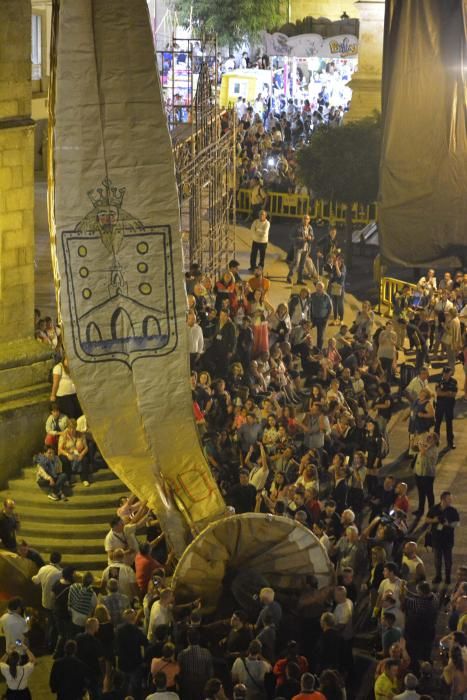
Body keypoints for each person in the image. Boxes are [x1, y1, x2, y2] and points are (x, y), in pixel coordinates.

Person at [426, 490, 460, 584]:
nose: (451, 501)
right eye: (449, 499)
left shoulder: (452, 511)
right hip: (436, 539)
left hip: (448, 539)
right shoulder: (434, 509)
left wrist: (448, 524)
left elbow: (457, 523)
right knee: (437, 560)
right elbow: (427, 519)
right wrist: (435, 520)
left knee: (448, 560)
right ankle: (438, 576)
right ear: (443, 500)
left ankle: (447, 577)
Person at [32, 551, 62, 651]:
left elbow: (35, 580)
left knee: (48, 623)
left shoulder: (43, 569)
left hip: (44, 601)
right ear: (59, 560)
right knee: (53, 625)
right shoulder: (59, 573)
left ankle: (46, 642)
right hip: (54, 603)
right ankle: (50, 645)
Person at [115, 608, 148, 696]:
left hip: (123, 663)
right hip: (135, 664)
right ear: (134, 618)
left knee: (123, 686)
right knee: (136, 687)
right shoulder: (137, 631)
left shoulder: (118, 630)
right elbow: (146, 643)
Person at [178, 628, 214, 700]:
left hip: (187, 688)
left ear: (188, 639)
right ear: (199, 638)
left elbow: (179, 673)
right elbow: (211, 673)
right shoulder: (207, 653)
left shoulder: (182, 654)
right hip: (202, 687)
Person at [76, 617, 103, 700]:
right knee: (95, 694)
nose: (99, 627)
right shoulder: (96, 642)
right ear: (94, 627)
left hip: (80, 671)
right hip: (93, 673)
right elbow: (100, 658)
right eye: (98, 625)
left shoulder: (77, 638)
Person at [412, 432, 439, 518]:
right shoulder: (425, 445)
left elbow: (423, 452)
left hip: (427, 474)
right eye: (428, 436)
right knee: (421, 492)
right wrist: (414, 441)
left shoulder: (434, 449)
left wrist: (420, 445)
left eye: (430, 437)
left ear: (435, 440)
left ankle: (432, 512)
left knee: (429, 493)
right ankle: (420, 510)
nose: (428, 438)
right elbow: (413, 449)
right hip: (419, 472)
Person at [434, 366, 457, 449]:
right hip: (440, 405)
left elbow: (454, 394)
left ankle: (450, 442)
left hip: (449, 405)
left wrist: (444, 393)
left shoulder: (454, 381)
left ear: (450, 373)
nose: (446, 375)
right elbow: (438, 393)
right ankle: (435, 441)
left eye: (447, 373)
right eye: (444, 373)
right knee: (437, 423)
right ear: (443, 373)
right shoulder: (438, 381)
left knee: (449, 424)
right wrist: (448, 393)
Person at [287, 215, 313, 285]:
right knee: (296, 262)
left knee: (302, 264)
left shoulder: (310, 227)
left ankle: (300, 279)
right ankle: (289, 276)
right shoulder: (297, 227)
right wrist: (301, 239)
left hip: (306, 248)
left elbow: (312, 237)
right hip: (298, 248)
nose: (305, 220)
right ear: (302, 219)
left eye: (307, 219)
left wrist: (310, 237)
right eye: (304, 219)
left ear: (309, 220)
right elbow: (291, 237)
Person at [309, 282, 332, 350]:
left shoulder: (326, 297)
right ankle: (307, 346)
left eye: (320, 287)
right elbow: (308, 306)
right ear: (315, 287)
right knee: (306, 332)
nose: (319, 288)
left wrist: (326, 318)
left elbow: (330, 308)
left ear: (323, 288)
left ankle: (318, 349)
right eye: (317, 287)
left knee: (320, 335)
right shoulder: (312, 296)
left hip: (322, 319)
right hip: (313, 318)